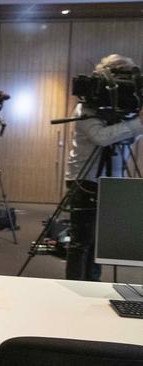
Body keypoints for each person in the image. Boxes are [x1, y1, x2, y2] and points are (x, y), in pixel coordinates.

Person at [65, 54, 143, 281]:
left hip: (113, 181)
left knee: (100, 241)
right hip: (85, 180)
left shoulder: (126, 109)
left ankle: (93, 284)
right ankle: (75, 287)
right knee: (82, 241)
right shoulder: (86, 106)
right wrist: (137, 123)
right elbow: (101, 137)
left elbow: (128, 137)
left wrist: (134, 123)